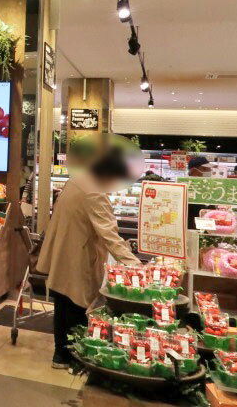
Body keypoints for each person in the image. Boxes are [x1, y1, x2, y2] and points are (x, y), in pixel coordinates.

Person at [37, 146, 141, 369]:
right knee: (76, 305)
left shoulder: (78, 180)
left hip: (64, 253)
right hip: (78, 257)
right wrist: (135, 264)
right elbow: (109, 234)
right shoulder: (93, 191)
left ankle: (61, 355)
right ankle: (73, 357)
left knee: (63, 304)